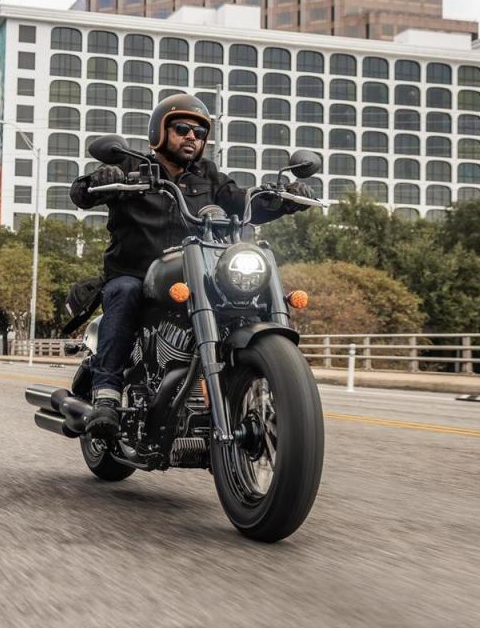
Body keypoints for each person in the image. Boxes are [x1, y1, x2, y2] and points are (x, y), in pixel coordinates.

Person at [69, 93, 314, 437]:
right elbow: (80, 194)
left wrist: (284, 199)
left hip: (197, 274)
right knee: (124, 292)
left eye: (199, 133)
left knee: (240, 298)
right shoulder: (131, 169)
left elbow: (244, 202)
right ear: (160, 131)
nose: (192, 137)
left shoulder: (210, 178)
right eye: (183, 128)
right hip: (138, 275)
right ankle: (107, 397)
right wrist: (98, 180)